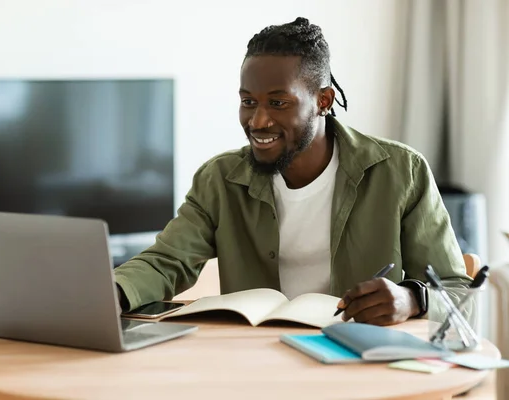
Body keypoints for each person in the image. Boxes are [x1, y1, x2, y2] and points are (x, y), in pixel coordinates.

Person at [114, 17, 472, 326]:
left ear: (323, 101)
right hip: (257, 362)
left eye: (278, 102)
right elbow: (167, 262)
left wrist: (412, 300)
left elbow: (457, 292)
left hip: (360, 361)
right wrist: (109, 292)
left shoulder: (400, 172)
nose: (258, 120)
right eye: (248, 102)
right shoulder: (219, 179)